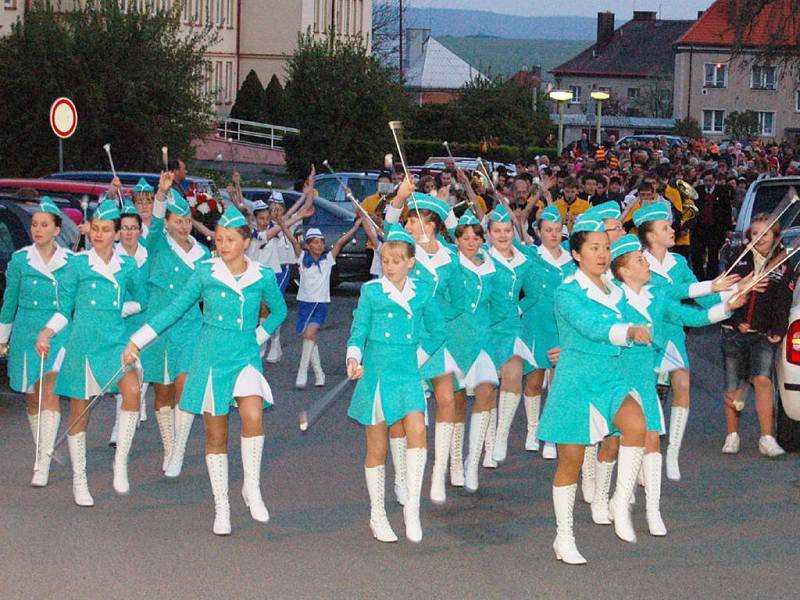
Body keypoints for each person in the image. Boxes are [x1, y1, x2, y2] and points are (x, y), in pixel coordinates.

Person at [124, 205, 287, 535]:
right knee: (217, 434)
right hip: (211, 358)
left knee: (253, 412)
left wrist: (257, 336)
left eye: (230, 239)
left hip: (243, 357)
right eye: (219, 239)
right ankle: (222, 506)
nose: (223, 244)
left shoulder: (261, 276)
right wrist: (138, 341)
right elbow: (173, 310)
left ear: (245, 242)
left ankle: (251, 486)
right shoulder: (205, 273)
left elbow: (279, 311)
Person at [594, 234, 746, 537]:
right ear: (624, 270)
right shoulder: (609, 296)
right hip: (614, 379)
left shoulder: (657, 297)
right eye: (640, 259)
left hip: (644, 379)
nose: (646, 262)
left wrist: (728, 305)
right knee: (611, 443)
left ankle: (652, 510)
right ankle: (602, 497)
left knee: (651, 441)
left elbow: (695, 316)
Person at [538, 212, 648, 564]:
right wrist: (627, 332)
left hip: (610, 377)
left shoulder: (616, 289)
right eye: (595, 248)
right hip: (576, 380)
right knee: (569, 462)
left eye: (605, 248)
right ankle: (564, 536)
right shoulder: (567, 291)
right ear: (577, 254)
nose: (603, 254)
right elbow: (590, 327)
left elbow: (650, 312)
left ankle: (619, 499)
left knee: (636, 425)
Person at [35, 200, 146, 506]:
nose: (98, 234)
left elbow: (142, 298)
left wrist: (121, 309)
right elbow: (65, 308)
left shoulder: (128, 266)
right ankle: (79, 479)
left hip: (115, 341)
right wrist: (47, 331)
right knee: (79, 412)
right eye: (95, 228)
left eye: (105, 230)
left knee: (133, 391)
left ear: (116, 234)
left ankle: (120, 462)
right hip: (83, 343)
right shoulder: (78, 265)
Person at [345, 224, 445, 543]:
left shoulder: (422, 293)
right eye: (386, 260)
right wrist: (352, 358)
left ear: (410, 262)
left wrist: (415, 359)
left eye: (397, 260)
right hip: (376, 372)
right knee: (377, 446)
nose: (390, 266)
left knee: (417, 430)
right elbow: (359, 328)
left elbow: (437, 331)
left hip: (407, 372)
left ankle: (411, 509)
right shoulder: (372, 292)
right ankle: (378, 514)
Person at [633, 203, 740, 481]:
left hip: (674, 333)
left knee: (682, 383)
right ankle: (645, 457)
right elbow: (668, 293)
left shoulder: (678, 263)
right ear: (650, 235)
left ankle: (673, 454)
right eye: (666, 227)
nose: (672, 231)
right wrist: (711, 285)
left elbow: (703, 299)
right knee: (649, 399)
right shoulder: (637, 263)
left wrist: (736, 290)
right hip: (647, 337)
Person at [384, 185, 465, 505]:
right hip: (401, 341)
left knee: (447, 399)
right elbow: (389, 223)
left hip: (433, 341)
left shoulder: (450, 259)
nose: (406, 225)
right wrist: (401, 196)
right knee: (404, 411)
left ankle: (437, 474)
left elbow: (457, 302)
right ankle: (402, 478)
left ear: (429, 225)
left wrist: (432, 318)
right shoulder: (401, 249)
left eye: (412, 221)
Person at [142, 173, 210, 479]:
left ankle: (179, 450)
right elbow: (153, 228)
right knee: (163, 391)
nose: (182, 226)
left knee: (184, 384)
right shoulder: (157, 245)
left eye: (186, 220)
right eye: (177, 221)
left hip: (190, 325)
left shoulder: (203, 254)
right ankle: (169, 447)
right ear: (168, 223)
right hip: (159, 324)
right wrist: (161, 194)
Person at [0, 198, 71, 487]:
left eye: (44, 225)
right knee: (32, 397)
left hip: (57, 329)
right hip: (25, 330)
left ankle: (42, 462)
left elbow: (67, 305)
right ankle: (44, 448)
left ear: (56, 229)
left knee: (47, 390)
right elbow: (10, 301)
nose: (37, 229)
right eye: (34, 224)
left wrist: (49, 330)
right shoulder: (20, 260)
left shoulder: (69, 262)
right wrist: (2, 338)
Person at [720, 213, 792, 457]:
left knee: (762, 379)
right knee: (732, 383)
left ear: (775, 236)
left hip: (762, 334)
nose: (759, 238)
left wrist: (779, 330)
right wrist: (737, 320)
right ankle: (731, 435)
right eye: (755, 233)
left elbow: (784, 300)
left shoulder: (783, 265)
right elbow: (725, 293)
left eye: (765, 233)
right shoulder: (737, 259)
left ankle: (767, 438)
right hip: (734, 332)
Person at [447, 210, 500, 492]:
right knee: (455, 402)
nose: (470, 242)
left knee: (485, 394)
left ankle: (472, 460)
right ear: (456, 240)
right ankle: (455, 461)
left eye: (475, 237)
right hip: (455, 339)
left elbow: (501, 306)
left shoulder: (491, 267)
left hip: (484, 340)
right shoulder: (450, 264)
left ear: (483, 240)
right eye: (464, 237)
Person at [518, 206, 575, 460]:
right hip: (535, 322)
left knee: (556, 380)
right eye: (547, 230)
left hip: (561, 324)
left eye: (556, 230)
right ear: (538, 232)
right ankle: (532, 429)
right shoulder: (530, 255)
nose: (553, 234)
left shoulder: (572, 260)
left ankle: (550, 434)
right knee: (533, 379)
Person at [485, 203, 536, 465]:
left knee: (514, 374)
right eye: (497, 231)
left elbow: (536, 292)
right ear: (489, 233)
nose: (503, 235)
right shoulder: (481, 256)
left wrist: (519, 307)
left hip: (512, 327)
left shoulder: (525, 259)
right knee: (488, 387)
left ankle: (502, 434)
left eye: (507, 230)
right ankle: (488, 443)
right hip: (486, 327)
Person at [285, 220, 363, 389]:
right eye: (315, 242)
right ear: (308, 245)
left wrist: (355, 227)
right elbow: (292, 240)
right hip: (305, 304)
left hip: (320, 304)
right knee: (309, 338)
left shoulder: (328, 260)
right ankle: (319, 373)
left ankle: (302, 372)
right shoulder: (302, 258)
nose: (319, 246)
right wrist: (282, 224)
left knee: (310, 334)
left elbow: (341, 242)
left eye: (321, 242)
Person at [108, 203, 152, 451]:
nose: (128, 233)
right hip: (116, 324)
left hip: (143, 320)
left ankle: (131, 411)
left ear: (139, 230)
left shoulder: (148, 256)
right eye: (124, 228)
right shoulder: (110, 255)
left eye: (133, 228)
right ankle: (119, 423)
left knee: (140, 372)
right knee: (122, 372)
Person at [692, 170, 733, 279]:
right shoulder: (697, 191)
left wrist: (728, 228)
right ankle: (699, 277)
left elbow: (727, 211)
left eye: (710, 180)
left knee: (713, 255)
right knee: (697, 254)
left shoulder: (722, 191)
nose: (708, 183)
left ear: (714, 180)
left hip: (715, 229)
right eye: (706, 180)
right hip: (700, 228)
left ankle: (711, 278)